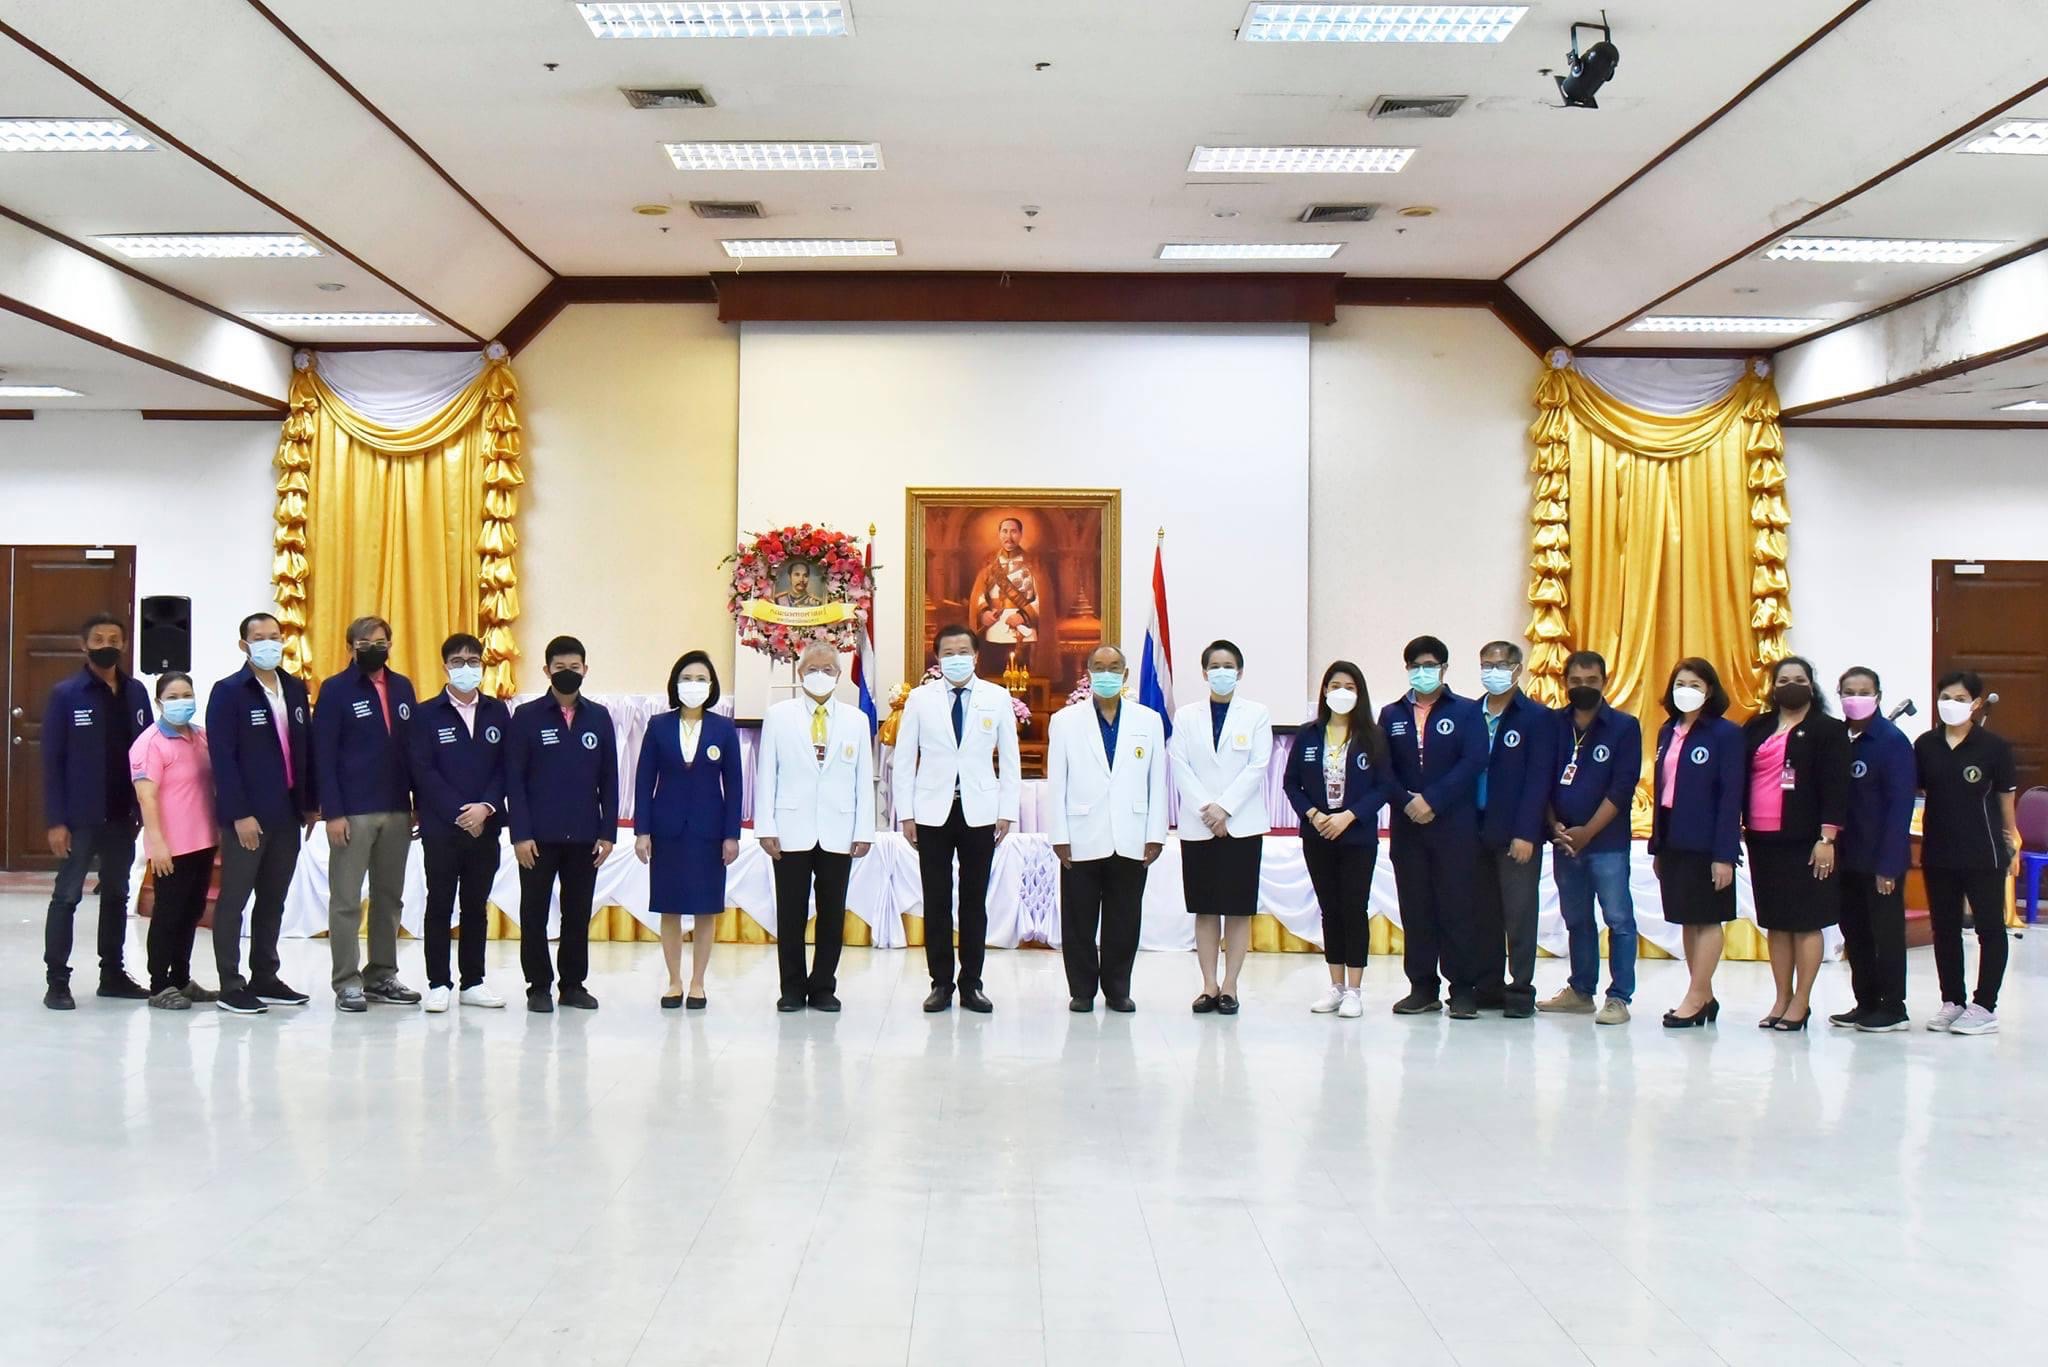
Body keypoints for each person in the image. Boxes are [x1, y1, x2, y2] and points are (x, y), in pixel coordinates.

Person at [893, 624, 1021, 1013]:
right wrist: (907, 812)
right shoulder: (919, 699)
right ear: (937, 658)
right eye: (948, 652)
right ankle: (940, 983)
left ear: (977, 655)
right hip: (932, 812)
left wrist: (1006, 810)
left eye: (963, 651)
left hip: (980, 813)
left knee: (973, 900)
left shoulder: (996, 698)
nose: (956, 658)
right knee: (936, 900)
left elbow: (1010, 760)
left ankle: (972, 983)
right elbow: (903, 759)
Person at [754, 642, 876, 1012]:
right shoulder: (779, 716)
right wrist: (765, 826)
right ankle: (791, 988)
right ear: (799, 672)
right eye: (813, 669)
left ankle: (823, 986)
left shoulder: (856, 720)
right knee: (790, 912)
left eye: (828, 669)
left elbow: (862, 778)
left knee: (832, 911)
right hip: (790, 829)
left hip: (839, 830)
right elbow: (767, 774)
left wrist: (864, 830)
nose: (820, 676)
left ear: (839, 676)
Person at [41, 612, 153, 1009]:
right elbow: (52, 761)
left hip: (123, 815)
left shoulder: (137, 692)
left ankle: (113, 974)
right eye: (99, 639)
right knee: (67, 896)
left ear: (124, 644)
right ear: (83, 646)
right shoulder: (66, 694)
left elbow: (147, 753)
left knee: (117, 895)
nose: (107, 645)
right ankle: (57, 980)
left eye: (114, 638)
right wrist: (56, 820)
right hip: (79, 817)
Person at [207, 612, 316, 1016]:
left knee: (274, 898)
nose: (269, 643)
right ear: (244, 645)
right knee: (235, 898)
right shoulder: (229, 692)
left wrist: (310, 804)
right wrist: (239, 813)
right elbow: (223, 759)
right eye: (259, 637)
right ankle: (230, 984)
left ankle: (265, 976)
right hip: (248, 816)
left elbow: (304, 749)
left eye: (275, 636)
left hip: (288, 813)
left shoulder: (294, 687)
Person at [312, 614, 422, 1013]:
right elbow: (323, 755)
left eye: (380, 640)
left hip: (397, 809)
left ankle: (381, 975)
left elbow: (413, 750)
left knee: (389, 898)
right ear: (350, 648)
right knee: (345, 898)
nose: (373, 647)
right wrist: (333, 813)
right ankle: (346, 981)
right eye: (365, 642)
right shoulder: (336, 690)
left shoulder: (403, 687)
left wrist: (418, 804)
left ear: (390, 645)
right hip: (353, 811)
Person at [1047, 645, 1166, 1012]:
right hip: (1081, 835)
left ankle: (1118, 989)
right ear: (1087, 673)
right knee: (1079, 918)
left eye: (1114, 667)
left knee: (1124, 918)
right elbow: (1058, 783)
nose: (1107, 673)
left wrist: (1155, 834)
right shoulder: (1065, 721)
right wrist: (1059, 836)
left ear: (1126, 675)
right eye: (1099, 667)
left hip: (1131, 834)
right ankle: (1082, 990)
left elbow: (1156, 781)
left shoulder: (1148, 721)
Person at [506, 635, 619, 1013]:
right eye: (559, 668)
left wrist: (607, 832)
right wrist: (520, 834)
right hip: (537, 839)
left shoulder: (599, 717)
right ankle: (538, 987)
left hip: (585, 837)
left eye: (574, 668)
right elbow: (515, 781)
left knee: (577, 913)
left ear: (585, 670)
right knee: (534, 913)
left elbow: (610, 778)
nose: (567, 674)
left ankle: (573, 984)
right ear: (546, 671)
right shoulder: (527, 717)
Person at [1379, 635, 1487, 1018]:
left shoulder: (1468, 711)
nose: (1422, 672)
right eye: (1415, 666)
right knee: (1416, 909)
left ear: (1443, 668)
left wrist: (1433, 800)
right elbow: (1383, 768)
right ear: (1407, 669)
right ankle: (1422, 987)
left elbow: (1473, 761)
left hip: (1454, 827)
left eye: (1430, 665)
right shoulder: (1391, 714)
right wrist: (1408, 802)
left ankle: (1462, 989)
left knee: (1457, 908)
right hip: (1408, 828)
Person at [1282, 661, 1397, 1018]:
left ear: (1359, 693)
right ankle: (1335, 985)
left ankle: (1355, 990)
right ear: (1325, 692)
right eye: (1335, 685)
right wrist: (1314, 815)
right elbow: (1291, 783)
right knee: (1330, 909)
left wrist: (1350, 816)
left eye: (1349, 686)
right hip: (1318, 835)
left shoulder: (1372, 736)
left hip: (1357, 835)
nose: (1341, 692)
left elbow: (1384, 786)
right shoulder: (1309, 734)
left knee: (1353, 908)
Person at [1741, 655, 1849, 1032]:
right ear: (1773, 686)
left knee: (1805, 923)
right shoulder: (1756, 727)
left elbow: (1837, 787)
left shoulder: (1827, 730)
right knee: (1777, 924)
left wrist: (1827, 837)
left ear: (1811, 684)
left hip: (1806, 841)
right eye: (1784, 679)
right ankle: (1781, 996)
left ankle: (1801, 1001)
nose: (1791, 684)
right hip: (1762, 839)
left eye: (1799, 678)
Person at [406, 633, 512, 1014]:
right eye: (458, 661)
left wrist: (484, 808)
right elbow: (423, 770)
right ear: (445, 666)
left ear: (482, 665)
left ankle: (473, 981)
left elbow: (506, 767)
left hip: (486, 827)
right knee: (439, 904)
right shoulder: (425, 714)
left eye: (472, 660)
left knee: (475, 907)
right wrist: (459, 812)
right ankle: (438, 982)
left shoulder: (498, 712)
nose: (466, 667)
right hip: (441, 828)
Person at [633, 650, 744, 1009]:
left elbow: (735, 785)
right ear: (675, 683)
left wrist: (732, 834)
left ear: (711, 686)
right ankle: (674, 981)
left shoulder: (723, 728)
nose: (693, 685)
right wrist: (642, 831)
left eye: (700, 679)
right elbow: (644, 780)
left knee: (705, 908)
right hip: (666, 830)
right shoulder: (658, 725)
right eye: (686, 678)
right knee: (669, 907)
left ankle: (697, 982)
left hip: (708, 832)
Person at [1169, 639, 1273, 1015]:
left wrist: (1225, 809)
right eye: (1215, 665)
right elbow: (1180, 764)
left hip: (1241, 826)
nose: (1222, 671)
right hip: (1200, 826)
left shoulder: (1257, 713)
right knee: (1206, 908)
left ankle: (1230, 986)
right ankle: (1209, 985)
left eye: (1229, 665)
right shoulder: (1186, 716)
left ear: (1240, 672)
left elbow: (1258, 766)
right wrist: (1208, 810)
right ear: (1204, 672)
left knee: (1238, 908)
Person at [1915, 670, 2022, 1036]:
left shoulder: (1994, 748)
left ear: (1976, 704)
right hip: (1939, 851)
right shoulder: (1926, 744)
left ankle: (1984, 1005)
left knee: (1989, 928)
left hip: (1985, 851)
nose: (1952, 704)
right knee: (1944, 929)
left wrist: (2012, 840)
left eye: (1960, 699)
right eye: (1946, 696)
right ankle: (1953, 1000)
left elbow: (2006, 800)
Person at [1539, 650, 1643, 1025]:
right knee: (1577, 919)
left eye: (1591, 681)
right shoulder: (1552, 724)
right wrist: (1555, 826)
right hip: (1564, 841)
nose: (1583, 688)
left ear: (1605, 682)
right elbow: (1542, 780)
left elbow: (1621, 789)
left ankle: (1618, 998)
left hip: (1607, 843)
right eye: (1576, 682)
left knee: (1618, 919)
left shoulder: (1624, 727)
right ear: (1565, 683)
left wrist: (1588, 832)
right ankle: (1581, 991)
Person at [1647, 659, 1744, 1027]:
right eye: (1680, 683)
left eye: (1695, 685)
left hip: (1707, 841)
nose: (1686, 690)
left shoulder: (1725, 734)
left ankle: (1696, 994)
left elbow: (1730, 796)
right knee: (1688, 919)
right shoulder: (1667, 731)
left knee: (1706, 919)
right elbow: (1662, 791)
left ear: (1710, 691)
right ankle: (1702, 993)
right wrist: (1657, 845)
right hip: (1673, 837)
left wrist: (1724, 854)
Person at [1471, 640, 1555, 1018]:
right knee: (1482, 913)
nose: (1493, 671)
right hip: (1474, 828)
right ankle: (1487, 986)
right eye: (1487, 664)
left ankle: (1521, 989)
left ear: (1518, 669)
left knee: (1519, 913)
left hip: (1516, 832)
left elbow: (1540, 780)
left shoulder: (1536, 717)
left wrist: (1527, 833)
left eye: (1501, 664)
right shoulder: (1469, 714)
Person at [1832, 667, 1915, 1032]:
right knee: (1855, 932)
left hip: (1880, 859)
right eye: (1849, 691)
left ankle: (1893, 1006)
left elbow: (1900, 808)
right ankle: (1865, 1002)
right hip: (1845, 859)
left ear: (1878, 695)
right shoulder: (1837, 738)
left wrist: (1889, 864)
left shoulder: (1891, 741)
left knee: (1886, 934)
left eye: (1864, 691)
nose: (1856, 697)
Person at [130, 673, 219, 1010]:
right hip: (171, 846)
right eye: (173, 695)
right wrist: (158, 844)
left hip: (203, 839)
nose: (182, 701)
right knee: (168, 913)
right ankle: (159, 984)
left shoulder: (201, 737)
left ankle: (182, 978)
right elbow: (146, 798)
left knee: (190, 911)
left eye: (187, 694)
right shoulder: (150, 743)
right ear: (159, 702)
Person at [968, 516, 1055, 674]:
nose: (1009, 536)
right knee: (994, 679)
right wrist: (984, 612)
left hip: (1024, 630)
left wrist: (1023, 616)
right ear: (999, 534)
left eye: (1013, 532)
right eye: (1005, 531)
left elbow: (1044, 599)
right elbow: (979, 594)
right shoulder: (989, 563)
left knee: (1023, 682)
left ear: (1020, 535)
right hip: (994, 629)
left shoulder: (1034, 563)